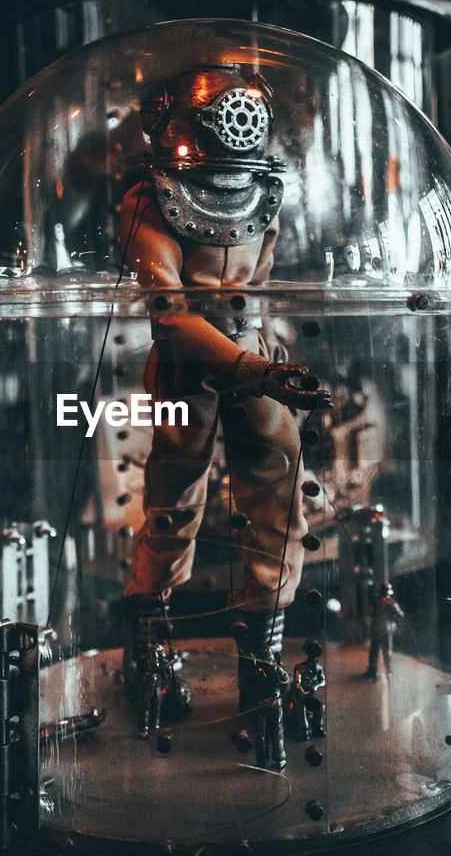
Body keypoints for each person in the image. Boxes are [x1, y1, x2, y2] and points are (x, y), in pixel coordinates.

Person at [118, 64, 331, 720]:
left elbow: (257, 294)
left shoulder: (262, 193)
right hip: (194, 368)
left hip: (255, 362)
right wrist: (254, 368)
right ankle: (151, 653)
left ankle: (262, 664)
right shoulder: (149, 200)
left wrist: (276, 365)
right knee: (172, 505)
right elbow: (171, 314)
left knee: (278, 499)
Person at [367, 582, 405, 680]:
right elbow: (400, 615)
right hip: (386, 628)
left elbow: (370, 613)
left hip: (375, 627)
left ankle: (373, 671)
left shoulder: (376, 601)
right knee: (387, 651)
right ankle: (388, 671)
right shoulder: (391, 602)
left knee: (374, 651)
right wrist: (394, 622)